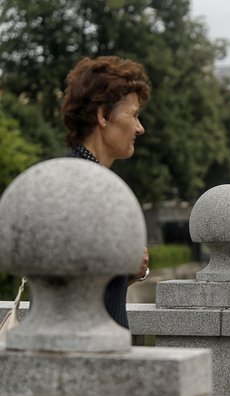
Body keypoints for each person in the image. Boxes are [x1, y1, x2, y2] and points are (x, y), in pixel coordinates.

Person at [61, 56, 150, 329]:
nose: (139, 128)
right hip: (88, 352)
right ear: (102, 115)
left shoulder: (80, 176)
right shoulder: (85, 185)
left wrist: (131, 271)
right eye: (133, 115)